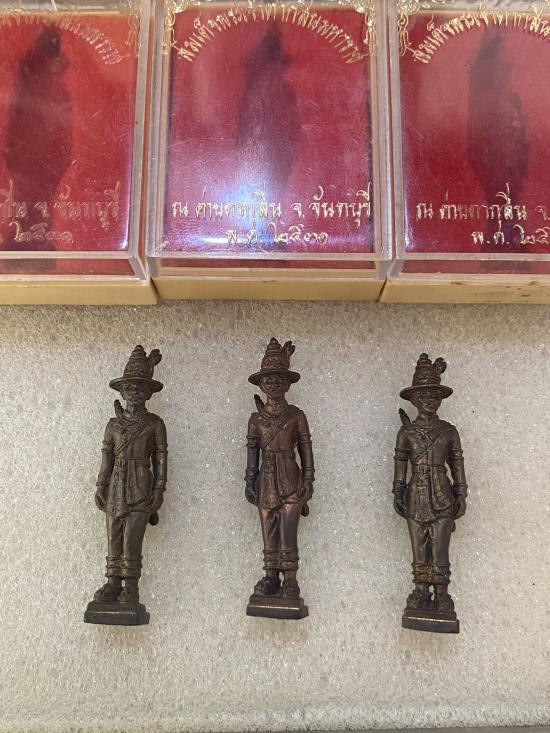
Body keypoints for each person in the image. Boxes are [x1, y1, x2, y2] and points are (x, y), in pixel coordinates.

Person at [87, 345, 167, 623]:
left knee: (132, 537)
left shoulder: (155, 424)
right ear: (122, 391)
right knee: (114, 534)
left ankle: (130, 587)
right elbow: (107, 458)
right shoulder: (113, 425)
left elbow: (161, 459)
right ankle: (112, 582)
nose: (134, 392)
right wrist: (100, 485)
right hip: (116, 485)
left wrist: (159, 490)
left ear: (149, 393)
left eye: (140, 388)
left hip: (141, 485)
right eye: (129, 387)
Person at [393, 353, 467, 631]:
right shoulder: (406, 433)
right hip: (416, 495)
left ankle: (442, 593)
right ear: (414, 399)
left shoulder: (448, 431)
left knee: (440, 546)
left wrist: (461, 493)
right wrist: (398, 491)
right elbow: (400, 465)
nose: (429, 401)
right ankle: (421, 590)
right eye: (423, 396)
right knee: (419, 545)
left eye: (434, 396)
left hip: (443, 495)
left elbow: (456, 463)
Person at [245, 338, 314, 609]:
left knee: (288, 531)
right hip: (266, 480)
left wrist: (308, 479)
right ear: (261, 385)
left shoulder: (296, 416)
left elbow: (306, 449)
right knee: (268, 529)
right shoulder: (256, 419)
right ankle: (271, 575)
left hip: (291, 479)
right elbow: (252, 453)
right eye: (269, 380)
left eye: (279, 380)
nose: (273, 384)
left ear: (287, 384)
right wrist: (249, 480)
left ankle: (291, 580)